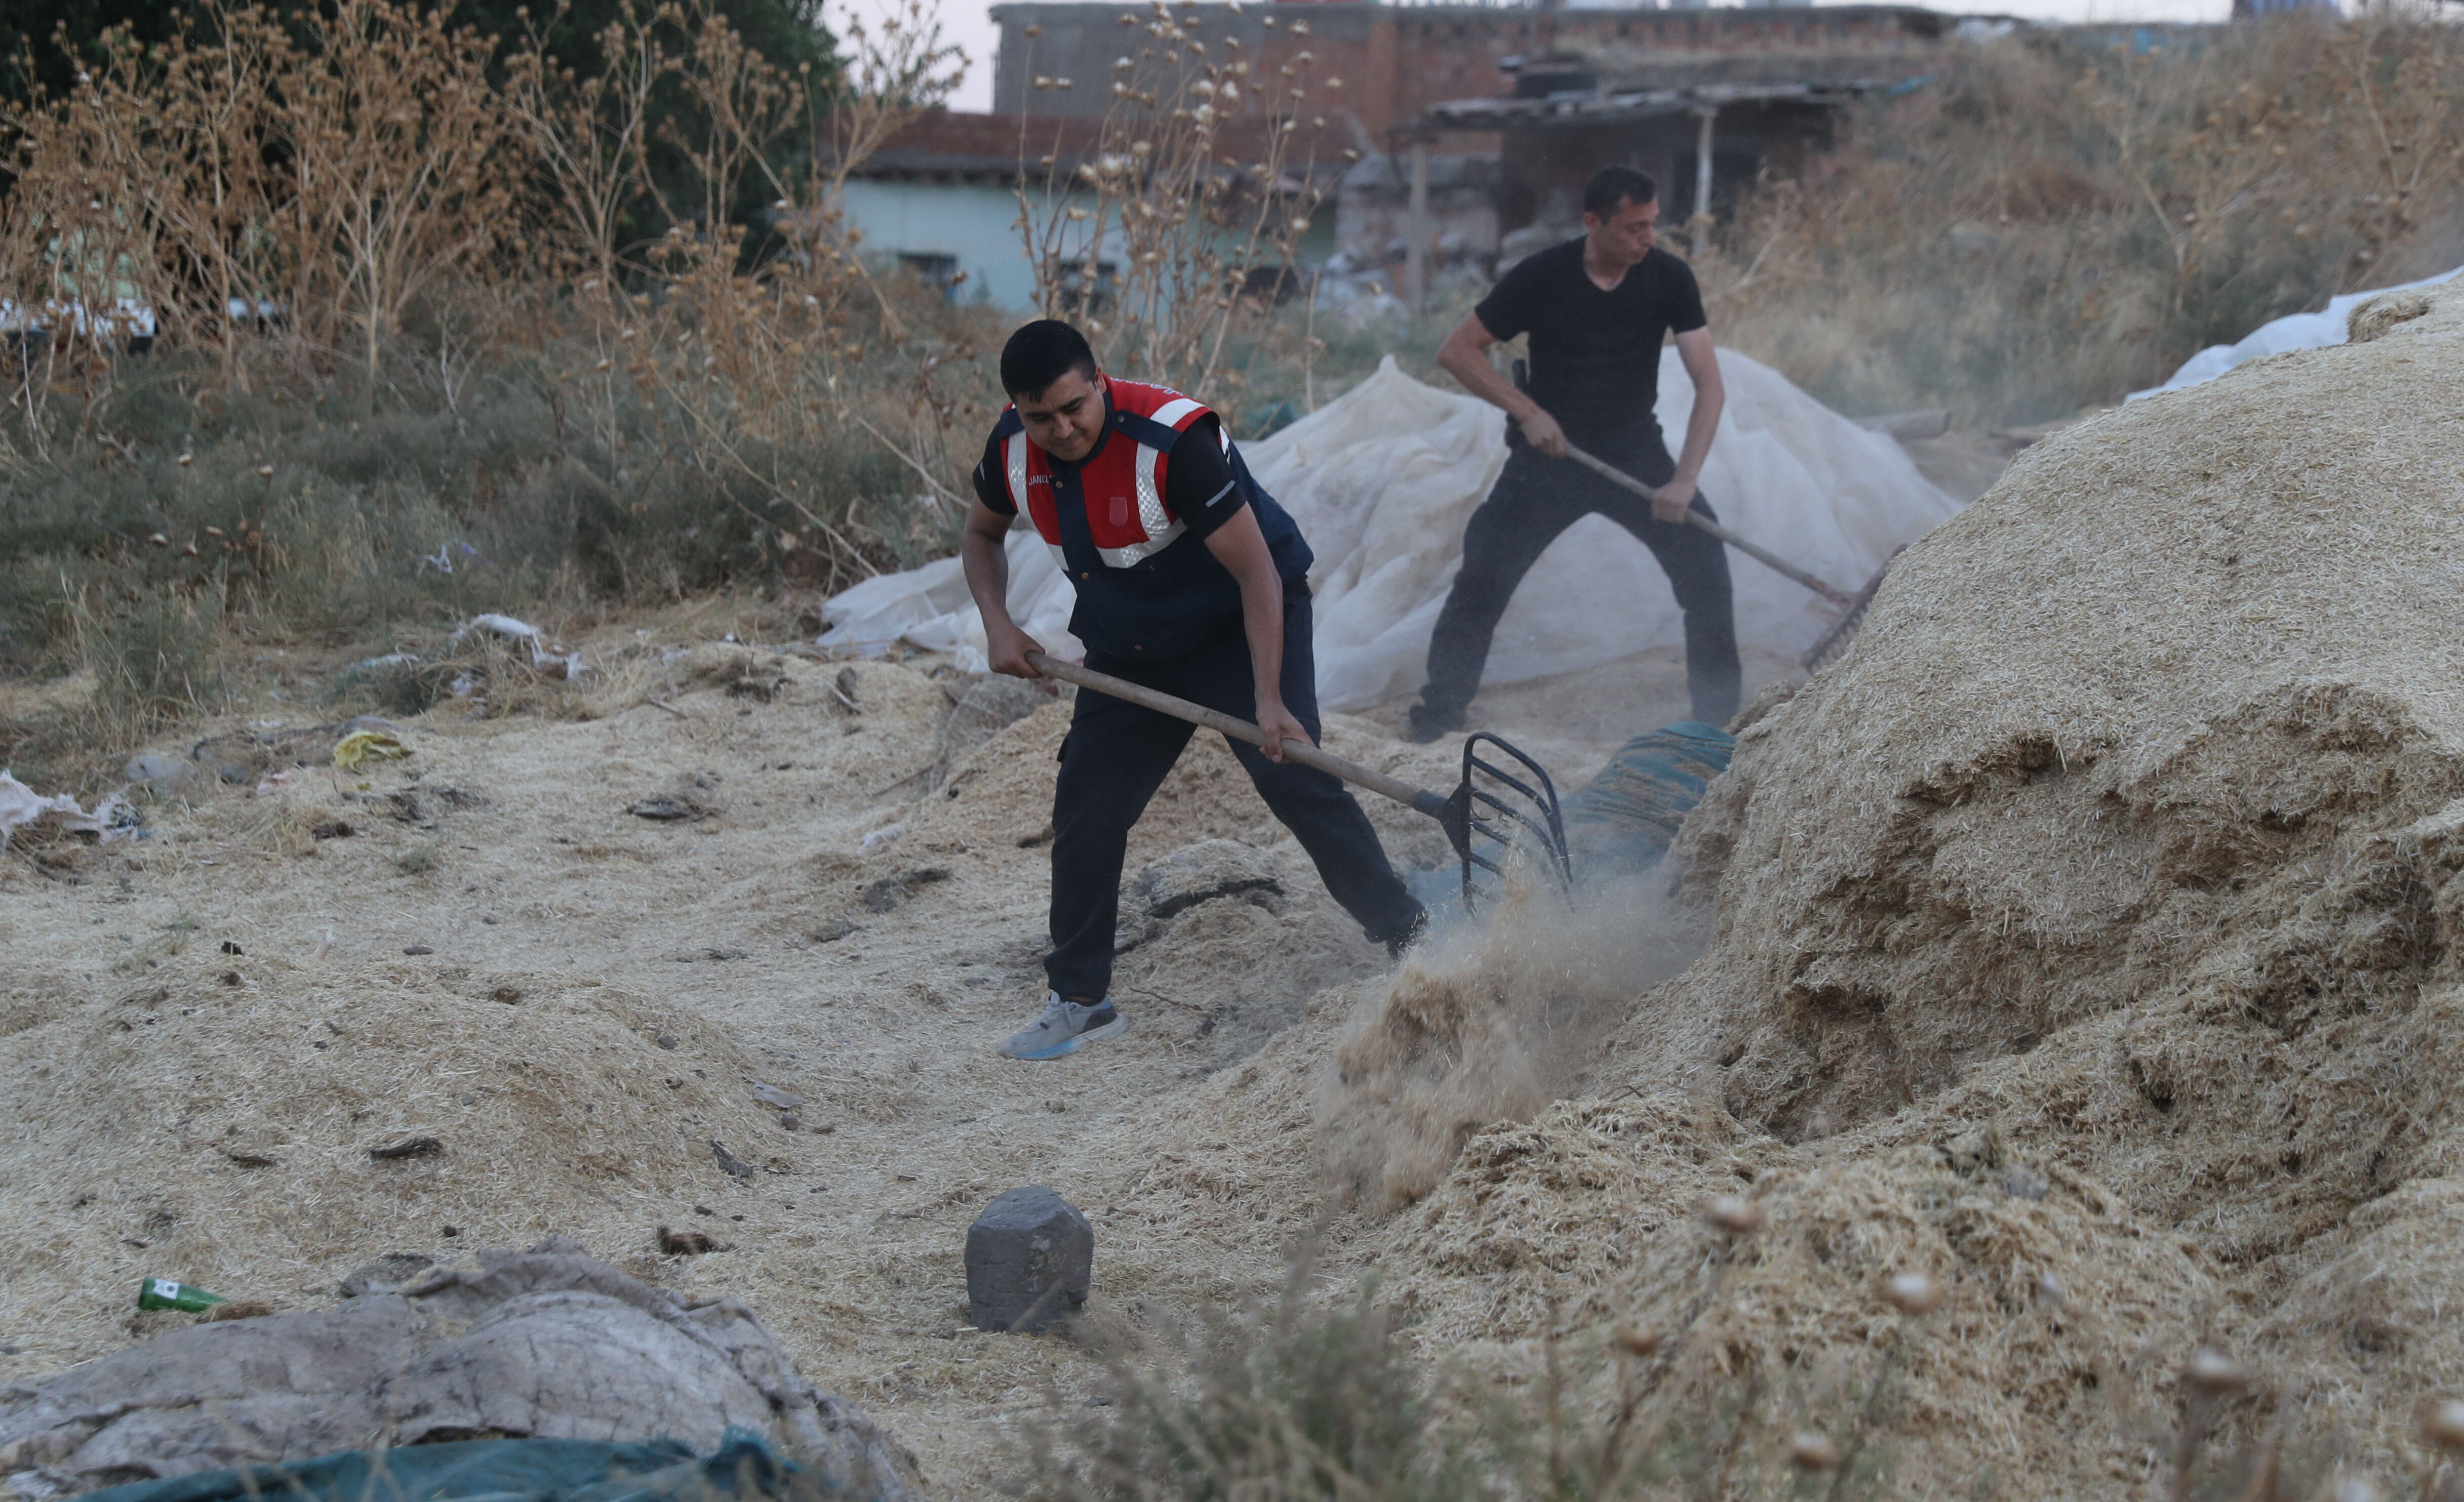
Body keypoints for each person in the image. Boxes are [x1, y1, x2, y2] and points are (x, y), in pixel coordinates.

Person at [961, 320, 1426, 1061]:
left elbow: (1259, 576)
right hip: (1128, 639)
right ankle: (1081, 997)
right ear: (1017, 408)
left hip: (1236, 624)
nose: (1061, 428)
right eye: (1039, 415)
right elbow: (982, 534)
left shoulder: (1173, 444)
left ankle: (1409, 933)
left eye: (1073, 407)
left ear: (1100, 380)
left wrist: (1269, 700)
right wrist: (999, 623)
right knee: (1086, 805)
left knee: (1295, 776)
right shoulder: (1013, 449)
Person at [1407, 165, 1739, 743]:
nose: (1647, 239)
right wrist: (1527, 411)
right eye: (1634, 227)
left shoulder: (1669, 279)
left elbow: (1710, 383)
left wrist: (1684, 479)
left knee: (1707, 569)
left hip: (1636, 451)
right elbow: (1457, 351)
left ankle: (1719, 725)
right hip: (1551, 460)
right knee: (1482, 578)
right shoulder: (1542, 277)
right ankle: (1436, 721)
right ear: (1594, 223)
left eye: (1652, 225)